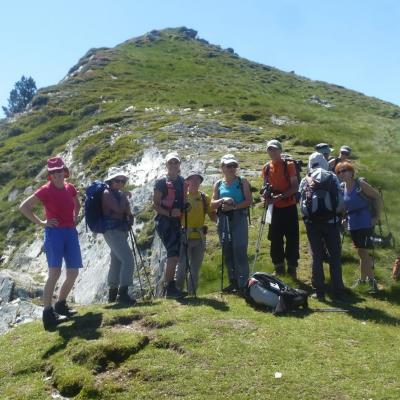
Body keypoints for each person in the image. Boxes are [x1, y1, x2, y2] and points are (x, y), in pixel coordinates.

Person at [19, 157, 82, 331]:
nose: (57, 174)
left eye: (60, 170)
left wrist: (75, 219)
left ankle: (61, 305)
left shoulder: (70, 188)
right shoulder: (45, 190)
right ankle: (48, 314)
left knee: (73, 272)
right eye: (53, 172)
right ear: (50, 175)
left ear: (65, 171)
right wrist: (42, 223)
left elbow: (77, 205)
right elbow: (24, 207)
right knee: (54, 272)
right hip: (54, 234)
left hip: (70, 233)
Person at [299, 167, 346, 300]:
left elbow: (302, 204)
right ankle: (338, 291)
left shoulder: (306, 179)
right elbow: (341, 203)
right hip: (332, 223)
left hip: (312, 225)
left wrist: (309, 218)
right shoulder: (333, 178)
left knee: (317, 256)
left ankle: (319, 292)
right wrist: (336, 215)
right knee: (335, 256)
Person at [336, 161, 382, 293]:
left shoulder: (360, 184)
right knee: (361, 252)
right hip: (353, 224)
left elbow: (377, 197)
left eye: (344, 170)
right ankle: (363, 280)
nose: (341, 173)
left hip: (365, 222)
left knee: (363, 251)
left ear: (351, 172)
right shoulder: (342, 187)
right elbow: (346, 207)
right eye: (339, 172)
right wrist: (344, 218)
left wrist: (377, 217)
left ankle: (372, 282)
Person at [211, 154, 252, 294]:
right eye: (229, 166)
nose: (232, 168)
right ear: (222, 167)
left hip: (239, 218)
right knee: (227, 250)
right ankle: (233, 281)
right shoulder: (218, 184)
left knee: (239, 249)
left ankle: (244, 283)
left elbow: (248, 201)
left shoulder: (242, 181)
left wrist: (233, 207)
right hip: (223, 219)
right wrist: (223, 200)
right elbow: (212, 204)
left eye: (234, 165)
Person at [261, 140, 299, 277]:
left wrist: (280, 197)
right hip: (273, 208)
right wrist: (264, 196)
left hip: (289, 206)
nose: (273, 152)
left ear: (280, 151)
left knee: (292, 238)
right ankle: (278, 267)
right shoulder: (266, 167)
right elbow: (265, 186)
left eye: (275, 149)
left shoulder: (289, 165)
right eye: (270, 150)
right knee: (274, 238)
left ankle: (292, 267)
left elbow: (295, 186)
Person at [175, 171, 217, 295]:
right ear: (187, 182)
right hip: (184, 235)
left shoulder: (205, 197)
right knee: (182, 266)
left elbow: (212, 215)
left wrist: (223, 219)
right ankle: (178, 291)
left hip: (199, 236)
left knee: (195, 267)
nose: (194, 182)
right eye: (191, 179)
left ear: (200, 182)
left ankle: (192, 293)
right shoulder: (182, 197)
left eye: (197, 180)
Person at [153, 152, 186, 298]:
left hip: (177, 222)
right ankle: (169, 288)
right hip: (165, 222)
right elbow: (156, 205)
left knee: (176, 254)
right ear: (166, 164)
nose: (173, 165)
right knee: (173, 254)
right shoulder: (161, 182)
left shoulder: (182, 181)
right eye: (170, 162)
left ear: (179, 165)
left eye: (176, 162)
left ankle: (169, 287)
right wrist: (170, 213)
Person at [102, 167, 136, 305]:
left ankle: (112, 294)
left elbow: (126, 211)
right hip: (113, 231)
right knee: (128, 260)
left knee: (116, 261)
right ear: (111, 181)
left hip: (120, 230)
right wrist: (124, 196)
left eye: (123, 180)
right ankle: (123, 293)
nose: (120, 183)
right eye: (117, 180)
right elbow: (118, 209)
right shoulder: (106, 193)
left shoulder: (118, 193)